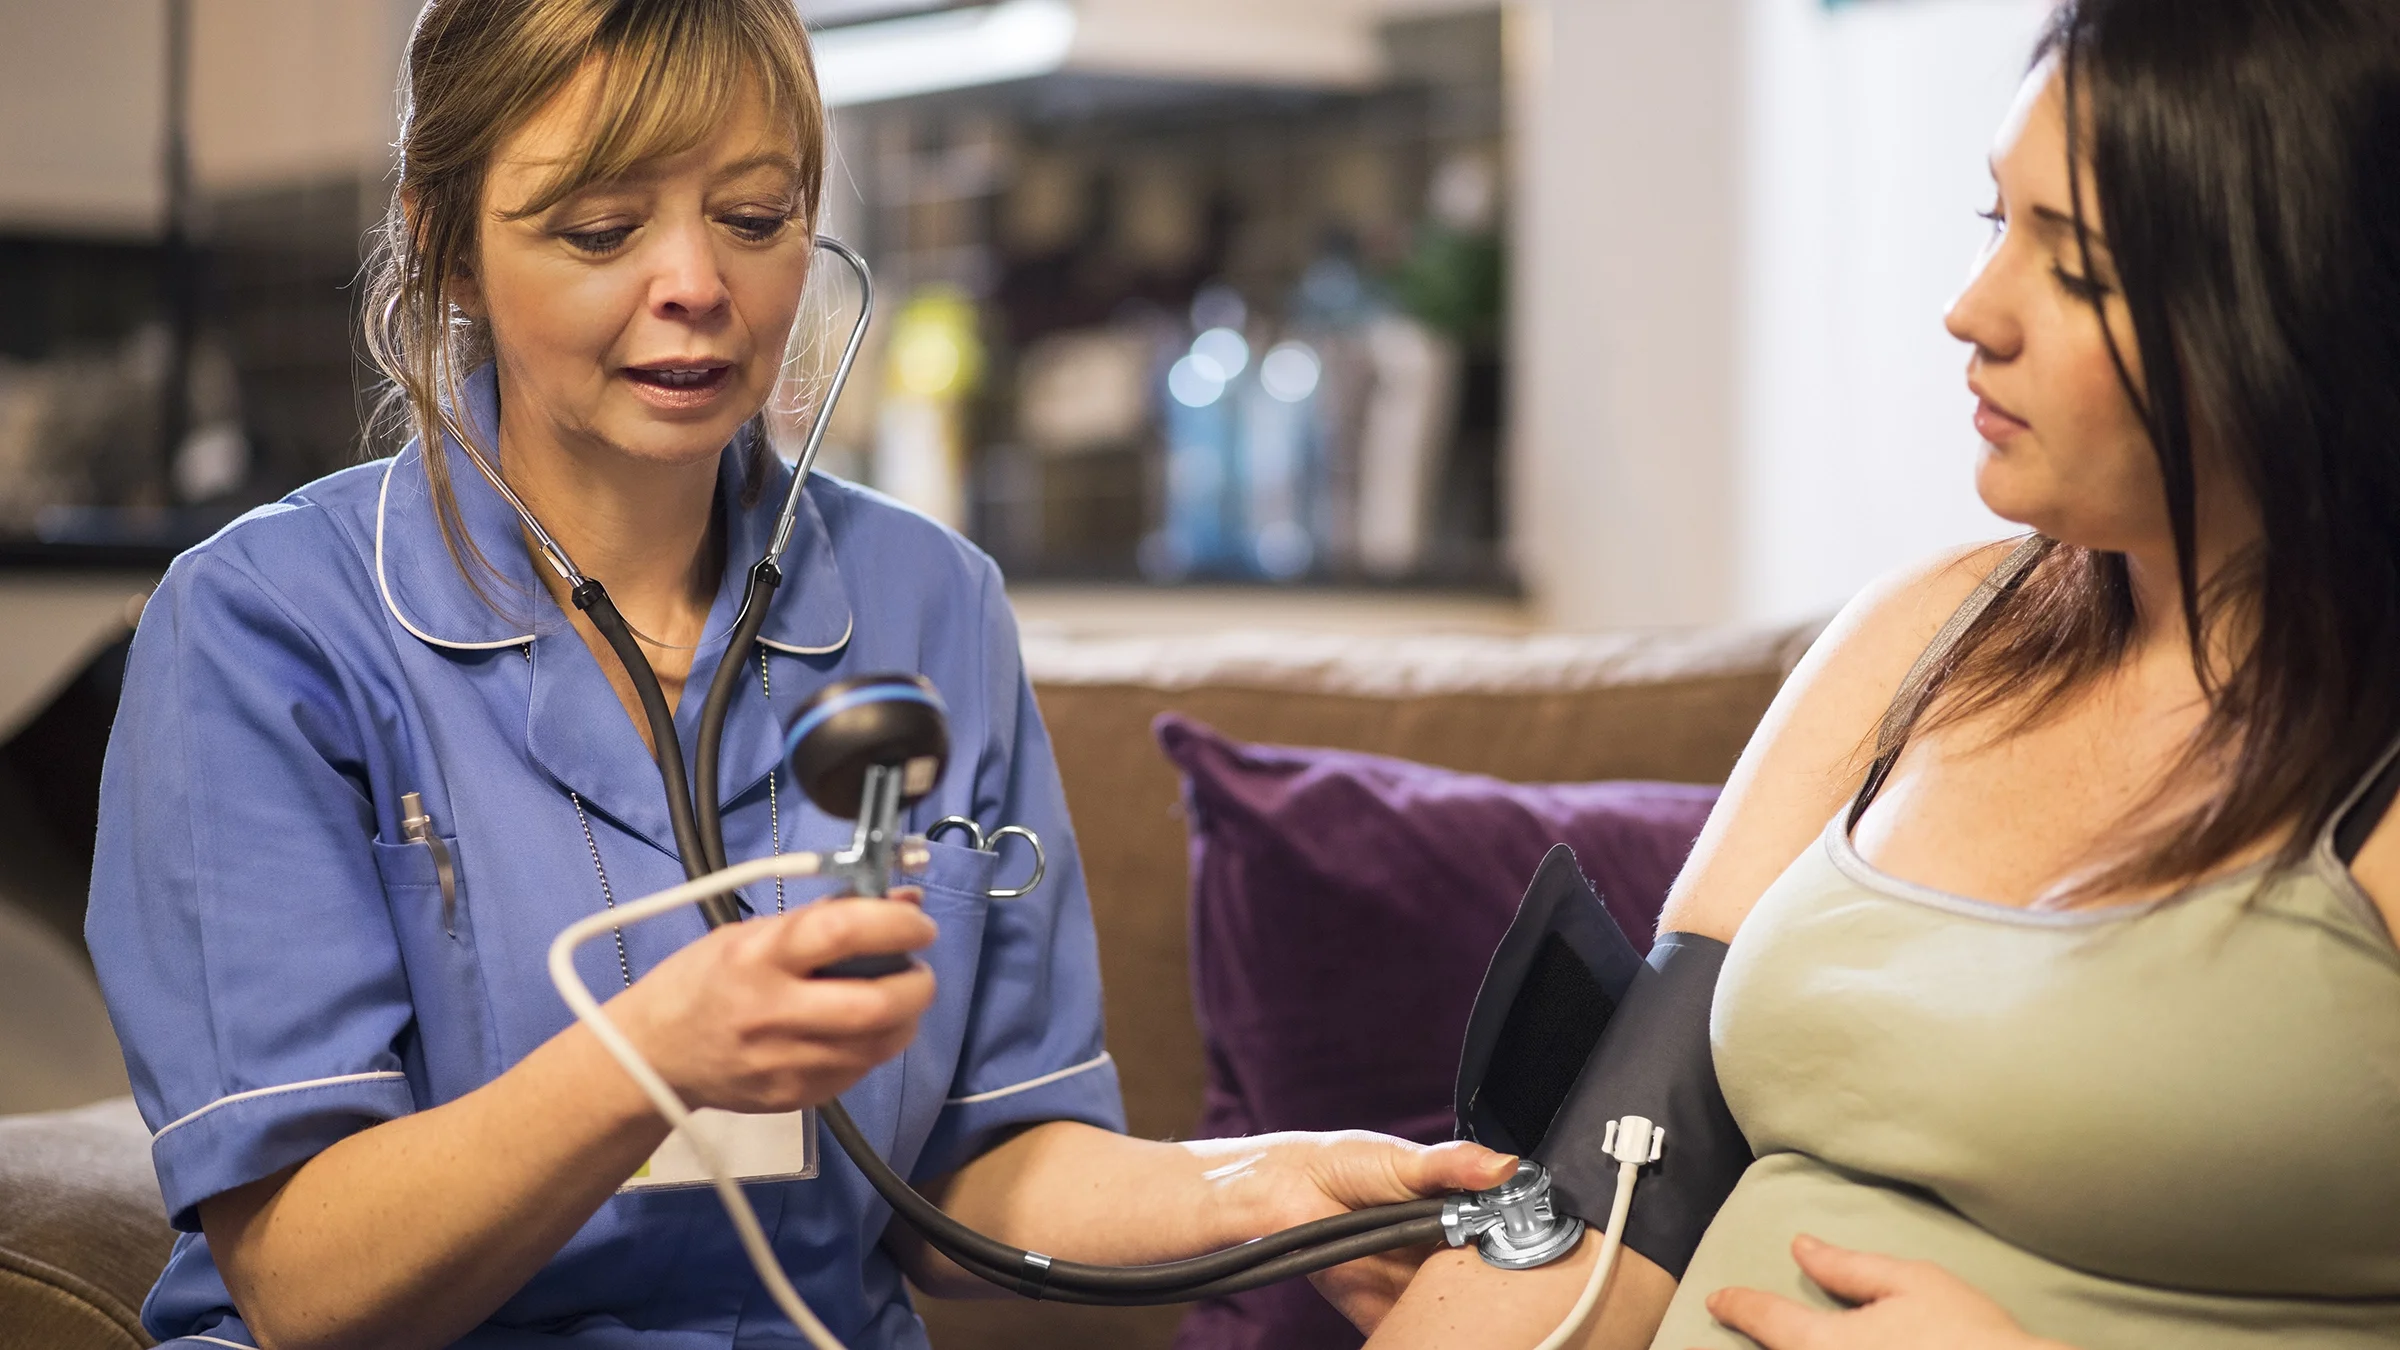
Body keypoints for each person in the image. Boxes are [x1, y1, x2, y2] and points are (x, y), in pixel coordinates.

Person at [81, 3, 1512, 1347]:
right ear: (448, 245)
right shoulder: (265, 631)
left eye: (756, 219)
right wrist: (655, 1052)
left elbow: (976, 1176)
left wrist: (1258, 1188)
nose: (698, 285)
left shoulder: (930, 605)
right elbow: (305, 1280)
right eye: (598, 227)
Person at [1366, 1, 2400, 1347]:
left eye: (2078, 271)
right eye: (1996, 225)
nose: (1973, 312)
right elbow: (1615, 1191)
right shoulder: (1925, 636)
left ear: (2312, 309)